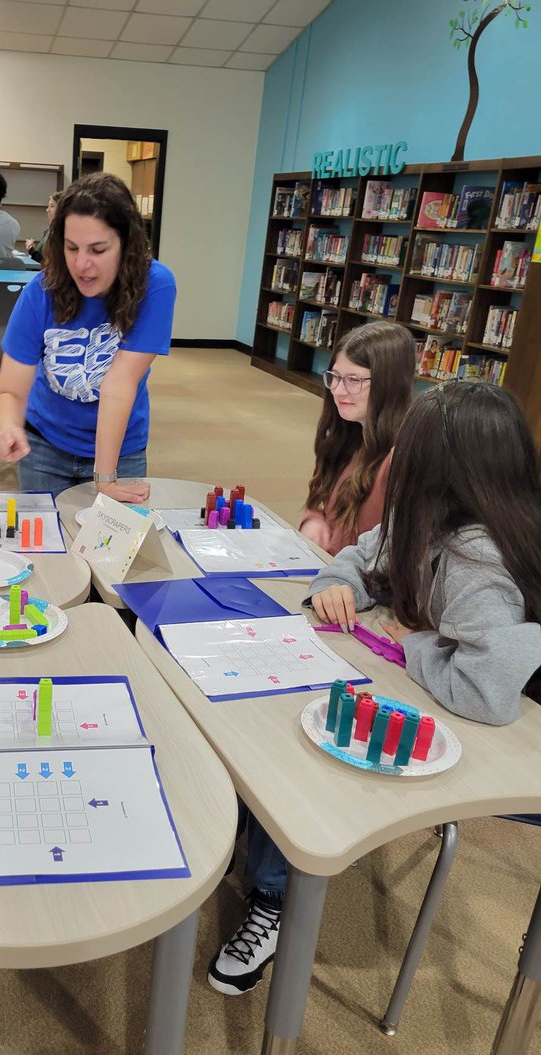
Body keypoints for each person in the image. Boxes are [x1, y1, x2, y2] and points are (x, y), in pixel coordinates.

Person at [208, 381, 541, 999]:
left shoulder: (480, 562)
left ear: (437, 473)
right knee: (278, 714)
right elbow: (362, 558)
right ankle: (257, 842)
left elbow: (490, 693)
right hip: (429, 694)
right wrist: (341, 585)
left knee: (305, 751)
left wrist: (412, 641)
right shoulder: (427, 522)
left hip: (489, 738)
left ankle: (273, 898)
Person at [0, 172, 176, 500]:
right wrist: (8, 426)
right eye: (71, 247)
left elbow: (119, 386)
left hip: (120, 450)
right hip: (45, 445)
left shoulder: (155, 285)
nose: (81, 264)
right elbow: (11, 391)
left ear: (126, 245)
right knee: (48, 547)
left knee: (112, 548)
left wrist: (106, 479)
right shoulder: (41, 291)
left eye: (98, 249)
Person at [299, 321, 415, 555]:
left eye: (354, 380)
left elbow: (396, 557)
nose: (338, 390)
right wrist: (314, 521)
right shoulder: (350, 434)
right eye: (335, 376)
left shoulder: (402, 458)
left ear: (388, 384)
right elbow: (325, 505)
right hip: (327, 572)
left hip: (356, 586)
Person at [25, 191, 62, 264]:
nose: (47, 210)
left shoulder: (60, 234)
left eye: (52, 206)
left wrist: (31, 250)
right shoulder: (48, 231)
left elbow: (45, 261)